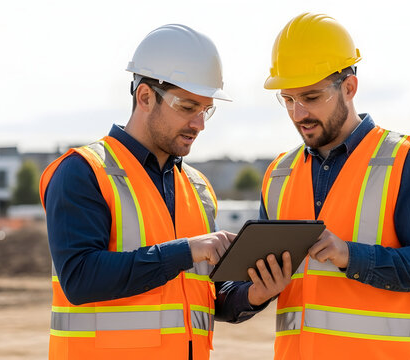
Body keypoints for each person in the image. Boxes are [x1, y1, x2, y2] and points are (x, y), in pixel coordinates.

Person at [40, 24, 288, 360]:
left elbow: (205, 297)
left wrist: (254, 295)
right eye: (188, 107)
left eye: (205, 110)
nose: (199, 124)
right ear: (144, 97)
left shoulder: (198, 188)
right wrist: (186, 250)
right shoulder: (84, 172)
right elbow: (80, 278)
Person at [259, 13, 410, 359]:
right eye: (288, 99)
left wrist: (351, 256)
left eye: (310, 96)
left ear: (349, 87)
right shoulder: (279, 174)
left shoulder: (407, 161)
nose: (298, 113)